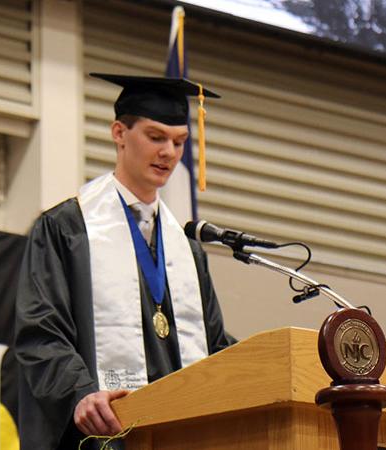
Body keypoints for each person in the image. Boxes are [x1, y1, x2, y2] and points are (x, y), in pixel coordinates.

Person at [15, 74, 231, 450]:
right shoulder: (67, 229)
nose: (169, 153)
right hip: (101, 435)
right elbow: (41, 333)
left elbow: (213, 346)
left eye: (179, 142)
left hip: (179, 437)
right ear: (119, 133)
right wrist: (79, 392)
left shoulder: (186, 247)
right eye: (156, 137)